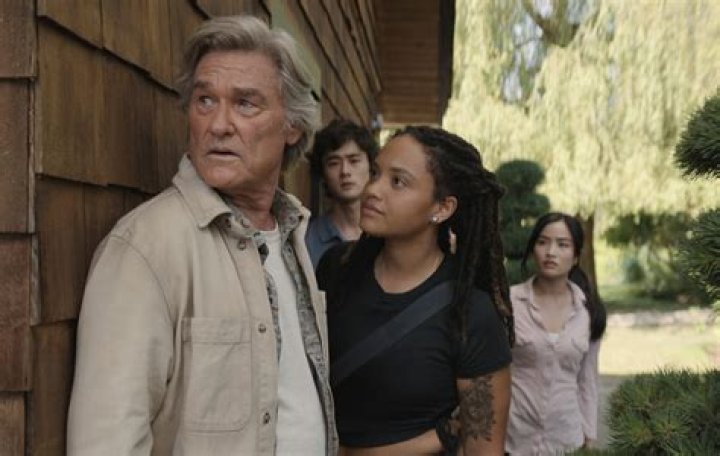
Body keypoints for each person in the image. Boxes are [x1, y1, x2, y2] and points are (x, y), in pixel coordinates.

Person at [67, 16, 337, 455]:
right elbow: (105, 442)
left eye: (245, 104)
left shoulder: (291, 232)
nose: (218, 124)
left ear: (293, 126)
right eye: (205, 100)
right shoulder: (146, 245)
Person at [317, 126, 514, 455]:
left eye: (398, 181)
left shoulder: (470, 312)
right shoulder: (336, 269)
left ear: (442, 208)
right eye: (375, 173)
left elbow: (483, 447)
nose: (373, 189)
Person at [505, 212, 607, 455]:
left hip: (567, 441)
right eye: (543, 242)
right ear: (533, 249)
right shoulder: (509, 303)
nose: (551, 252)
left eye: (562, 245)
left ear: (576, 256)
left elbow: (587, 380)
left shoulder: (588, 311)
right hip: (513, 440)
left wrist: (589, 437)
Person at [305, 119, 378, 267]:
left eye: (354, 161)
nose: (345, 171)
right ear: (322, 173)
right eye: (334, 163)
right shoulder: (307, 239)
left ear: (371, 166)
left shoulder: (388, 233)